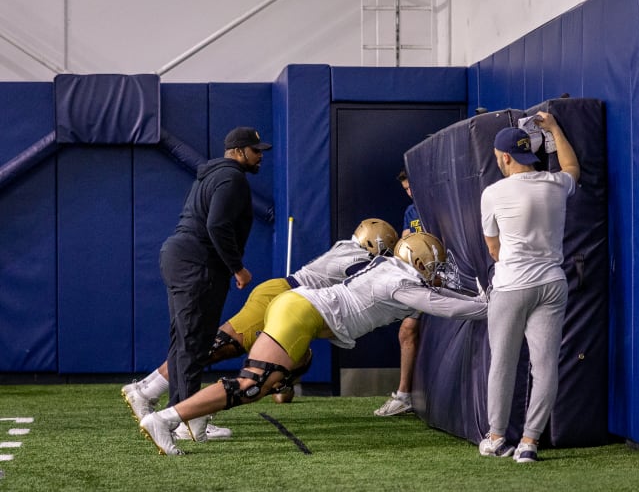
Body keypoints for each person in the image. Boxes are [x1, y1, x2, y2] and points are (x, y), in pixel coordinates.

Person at [138, 231, 489, 455]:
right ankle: (168, 418)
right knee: (252, 384)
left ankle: (193, 411)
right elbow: (447, 307)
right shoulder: (400, 283)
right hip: (301, 312)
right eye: (432, 265)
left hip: (301, 309)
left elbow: (436, 292)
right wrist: (489, 304)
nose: (437, 271)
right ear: (415, 262)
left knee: (290, 367)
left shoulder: (391, 268)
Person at [122, 218, 399, 439]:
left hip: (285, 298)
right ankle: (149, 391)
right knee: (214, 348)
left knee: (228, 352)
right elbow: (371, 273)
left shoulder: (348, 248)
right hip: (281, 296)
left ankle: (175, 405)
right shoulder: (354, 256)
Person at [152, 126, 271, 441]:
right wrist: (238, 269)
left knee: (183, 343)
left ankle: (177, 415)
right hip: (196, 263)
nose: (260, 157)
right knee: (193, 345)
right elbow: (216, 224)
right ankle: (186, 423)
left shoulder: (210, 175)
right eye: (255, 150)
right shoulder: (232, 178)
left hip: (179, 258)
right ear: (237, 151)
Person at [478, 112, 579, 463]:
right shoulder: (555, 184)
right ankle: (529, 443)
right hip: (552, 283)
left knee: (502, 364)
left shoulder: (492, 193)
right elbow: (572, 169)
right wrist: (554, 128)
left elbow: (494, 250)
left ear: (505, 158)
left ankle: (494, 437)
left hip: (511, 286)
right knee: (545, 365)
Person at [374, 169, 431, 417]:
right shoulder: (410, 211)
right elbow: (405, 246)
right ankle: (405, 395)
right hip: (420, 277)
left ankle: (405, 395)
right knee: (407, 329)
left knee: (409, 329)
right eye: (406, 190)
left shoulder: (443, 203)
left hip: (446, 277)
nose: (410, 193)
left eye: (412, 188)